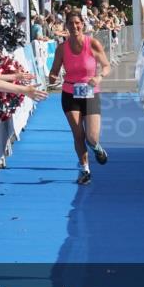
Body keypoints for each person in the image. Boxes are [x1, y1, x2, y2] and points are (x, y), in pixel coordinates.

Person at [48, 11, 112, 186]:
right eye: (71, 23)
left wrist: (99, 77)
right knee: (78, 135)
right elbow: (53, 71)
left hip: (90, 92)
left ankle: (98, 149)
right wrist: (52, 77)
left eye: (77, 23)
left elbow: (106, 66)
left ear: (82, 24)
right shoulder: (62, 49)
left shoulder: (93, 44)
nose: (74, 26)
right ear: (66, 26)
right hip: (70, 93)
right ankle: (85, 170)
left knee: (91, 138)